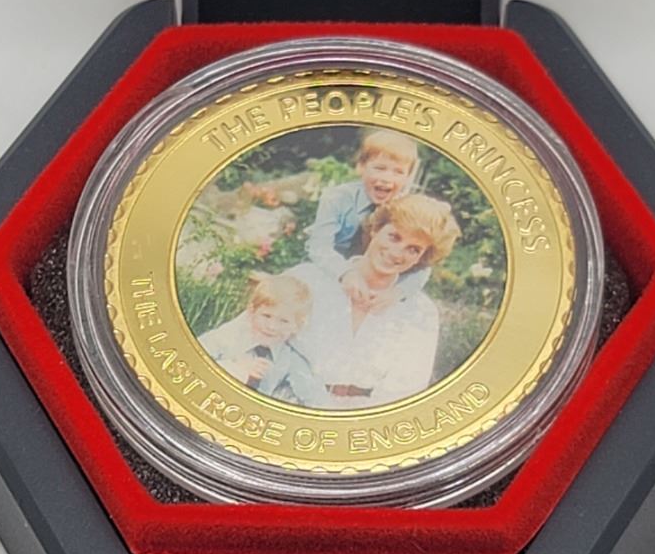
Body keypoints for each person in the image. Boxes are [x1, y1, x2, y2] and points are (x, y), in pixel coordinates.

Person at [292, 193, 461, 408]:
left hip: (363, 417)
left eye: (413, 249)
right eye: (394, 237)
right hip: (291, 404)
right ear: (375, 230)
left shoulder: (420, 312)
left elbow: (405, 389)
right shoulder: (306, 280)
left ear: (422, 258)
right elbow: (257, 346)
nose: (397, 253)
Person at [305, 129, 430, 310]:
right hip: (332, 271)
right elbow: (319, 247)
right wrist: (345, 273)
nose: (386, 178)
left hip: (380, 284)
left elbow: (424, 264)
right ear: (361, 167)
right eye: (380, 168)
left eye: (398, 172)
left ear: (407, 178)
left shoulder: (407, 209)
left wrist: (398, 292)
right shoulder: (337, 198)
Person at [196, 273, 325, 405]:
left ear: (297, 326)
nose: (272, 326)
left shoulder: (292, 357)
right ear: (251, 312)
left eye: (284, 321)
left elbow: (315, 398)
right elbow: (194, 359)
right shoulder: (229, 336)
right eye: (266, 316)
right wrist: (235, 368)